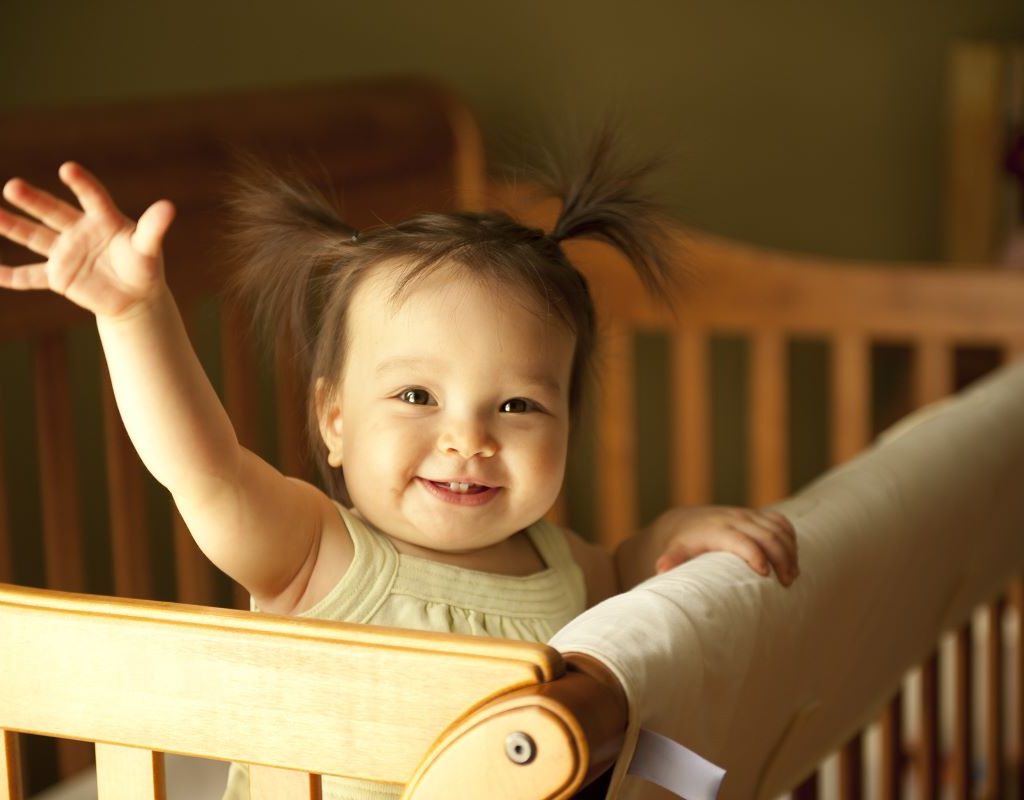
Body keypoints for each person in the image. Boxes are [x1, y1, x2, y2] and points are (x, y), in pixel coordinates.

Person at [0, 134, 797, 799]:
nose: (469, 439)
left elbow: (630, 589)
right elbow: (202, 467)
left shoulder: (563, 564)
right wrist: (136, 316)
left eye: (518, 406)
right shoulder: (316, 551)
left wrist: (671, 534)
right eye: (418, 394)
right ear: (334, 421)